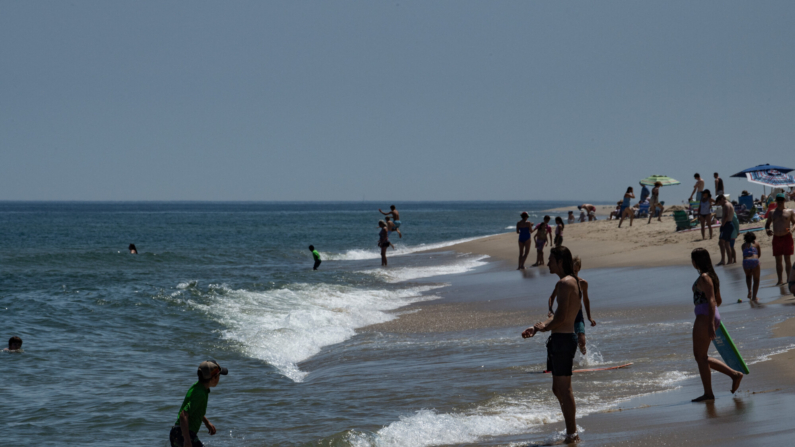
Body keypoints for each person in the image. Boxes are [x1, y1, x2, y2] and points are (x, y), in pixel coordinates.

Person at [522, 246, 582, 443]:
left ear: (560, 262)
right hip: (559, 340)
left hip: (564, 341)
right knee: (557, 389)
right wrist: (536, 327)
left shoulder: (566, 283)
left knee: (564, 389)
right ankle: (570, 428)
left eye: (551, 260)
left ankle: (572, 433)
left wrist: (543, 328)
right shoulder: (568, 282)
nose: (547, 263)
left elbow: (562, 318)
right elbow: (557, 317)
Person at [689, 248, 743, 402]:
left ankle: (708, 393)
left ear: (696, 261)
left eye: (692, 260)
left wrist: (711, 322)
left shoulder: (705, 278)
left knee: (700, 357)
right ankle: (734, 375)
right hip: (708, 315)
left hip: (705, 317)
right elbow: (718, 300)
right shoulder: (711, 276)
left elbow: (713, 301)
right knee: (701, 357)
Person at [170, 360, 228, 447]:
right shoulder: (200, 394)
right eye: (219, 375)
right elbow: (183, 415)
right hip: (182, 434)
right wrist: (187, 441)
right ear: (213, 378)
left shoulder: (198, 387)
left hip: (177, 433)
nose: (219, 378)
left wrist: (206, 422)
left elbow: (195, 409)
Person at [548, 256, 595, 355]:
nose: (573, 274)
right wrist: (550, 309)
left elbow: (586, 300)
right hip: (564, 314)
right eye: (572, 271)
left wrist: (589, 317)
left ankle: (585, 362)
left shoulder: (583, 283)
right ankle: (566, 360)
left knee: (581, 342)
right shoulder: (563, 283)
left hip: (578, 314)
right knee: (565, 342)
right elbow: (552, 297)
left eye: (576, 271)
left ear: (579, 269)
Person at [765, 193, 795, 285]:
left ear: (784, 200)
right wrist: (768, 230)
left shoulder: (789, 211)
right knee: (778, 260)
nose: (780, 201)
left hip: (787, 237)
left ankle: (789, 279)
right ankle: (780, 280)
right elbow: (767, 224)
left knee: (787, 260)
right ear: (776, 201)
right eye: (778, 199)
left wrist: (792, 229)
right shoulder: (772, 212)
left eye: (782, 199)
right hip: (777, 237)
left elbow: (794, 223)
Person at [741, 233, 762, 302]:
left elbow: (744, 254)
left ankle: (749, 291)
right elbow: (759, 254)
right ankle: (754, 297)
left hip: (745, 261)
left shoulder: (743, 245)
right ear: (754, 238)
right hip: (754, 260)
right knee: (756, 280)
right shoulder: (756, 243)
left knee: (748, 276)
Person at [716, 195, 735, 266]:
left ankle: (723, 260)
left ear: (722, 199)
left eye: (719, 202)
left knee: (721, 242)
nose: (720, 204)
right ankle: (729, 260)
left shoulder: (726, 205)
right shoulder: (729, 204)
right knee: (727, 244)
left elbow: (726, 215)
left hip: (727, 224)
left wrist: (722, 224)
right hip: (729, 224)